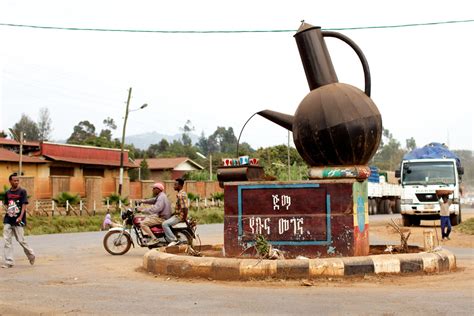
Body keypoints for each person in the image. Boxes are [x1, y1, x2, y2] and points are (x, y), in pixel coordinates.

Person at [2, 173, 35, 268]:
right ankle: (9, 262)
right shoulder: (7, 192)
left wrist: (20, 216)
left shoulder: (22, 191)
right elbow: (6, 204)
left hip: (18, 220)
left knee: (21, 240)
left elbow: (24, 205)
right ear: (10, 181)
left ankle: (31, 255)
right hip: (8, 219)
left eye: (17, 180)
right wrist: (9, 210)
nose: (16, 182)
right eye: (14, 180)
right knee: (7, 240)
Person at [162, 178, 189, 247]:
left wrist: (184, 218)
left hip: (179, 216)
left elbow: (185, 208)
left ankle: (173, 240)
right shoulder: (181, 193)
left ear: (180, 185)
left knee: (164, 224)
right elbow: (179, 208)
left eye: (175, 185)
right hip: (178, 215)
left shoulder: (181, 195)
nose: (174, 186)